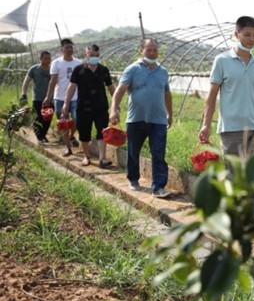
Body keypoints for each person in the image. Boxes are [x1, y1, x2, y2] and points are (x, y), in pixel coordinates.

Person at [109, 38, 173, 199]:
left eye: (155, 50)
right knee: (133, 151)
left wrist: (170, 114)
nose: (152, 53)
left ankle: (158, 187)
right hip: (136, 118)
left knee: (158, 153)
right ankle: (133, 178)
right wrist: (114, 109)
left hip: (158, 119)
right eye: (149, 49)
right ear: (141, 50)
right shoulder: (132, 69)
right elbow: (120, 90)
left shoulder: (163, 71)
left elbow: (167, 94)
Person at [198, 16, 254, 157]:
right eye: (247, 34)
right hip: (232, 128)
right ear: (236, 34)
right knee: (233, 174)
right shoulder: (222, 60)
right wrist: (206, 124)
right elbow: (212, 96)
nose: (252, 39)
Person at [62, 44, 116, 167]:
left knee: (102, 131)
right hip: (83, 107)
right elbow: (71, 87)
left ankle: (102, 158)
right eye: (91, 55)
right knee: (84, 132)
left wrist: (116, 103)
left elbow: (110, 87)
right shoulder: (79, 70)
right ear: (85, 55)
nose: (94, 57)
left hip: (100, 106)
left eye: (96, 56)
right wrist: (66, 103)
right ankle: (87, 156)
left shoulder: (103, 70)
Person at [43, 38, 82, 156]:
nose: (69, 49)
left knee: (77, 119)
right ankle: (68, 148)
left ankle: (71, 136)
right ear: (62, 49)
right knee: (63, 122)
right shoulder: (57, 63)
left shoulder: (78, 63)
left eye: (71, 47)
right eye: (67, 47)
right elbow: (53, 81)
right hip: (60, 97)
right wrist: (48, 97)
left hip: (75, 96)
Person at [21, 51, 53, 144]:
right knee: (38, 118)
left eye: (49, 58)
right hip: (37, 98)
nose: (47, 60)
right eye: (45, 58)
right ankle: (40, 137)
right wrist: (24, 93)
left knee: (47, 118)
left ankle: (42, 135)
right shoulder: (34, 69)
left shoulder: (52, 70)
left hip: (50, 98)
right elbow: (26, 82)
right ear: (41, 59)